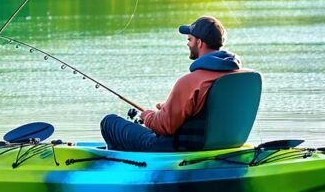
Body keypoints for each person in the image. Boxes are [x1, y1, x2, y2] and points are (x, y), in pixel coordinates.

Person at [100, 16, 244, 152]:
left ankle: (122, 165)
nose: (187, 43)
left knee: (109, 123)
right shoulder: (237, 77)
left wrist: (147, 116)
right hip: (221, 144)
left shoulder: (191, 81)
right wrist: (167, 109)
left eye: (190, 39)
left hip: (178, 149)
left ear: (200, 43)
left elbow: (165, 127)